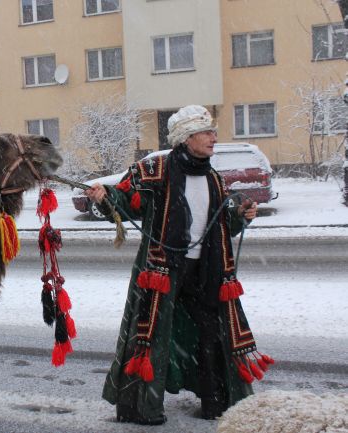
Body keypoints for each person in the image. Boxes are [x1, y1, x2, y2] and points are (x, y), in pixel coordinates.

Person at [86, 105, 268, 425]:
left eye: (212, 131)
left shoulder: (212, 176)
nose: (214, 137)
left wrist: (239, 215)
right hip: (162, 268)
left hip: (206, 269)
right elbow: (127, 199)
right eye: (206, 132)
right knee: (153, 333)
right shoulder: (156, 169)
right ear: (186, 137)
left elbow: (219, 221)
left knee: (212, 333)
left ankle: (216, 401)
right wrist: (105, 196)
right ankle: (143, 407)